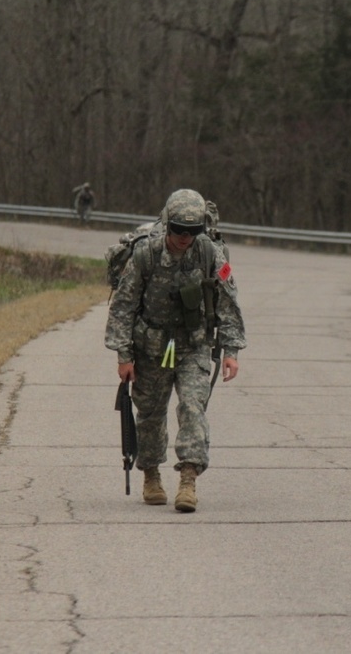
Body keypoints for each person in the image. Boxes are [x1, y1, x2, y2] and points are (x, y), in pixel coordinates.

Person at [104, 189, 246, 512]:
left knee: (193, 407)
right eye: (179, 230)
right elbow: (123, 307)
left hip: (193, 346)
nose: (185, 238)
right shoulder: (145, 255)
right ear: (167, 224)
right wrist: (124, 356)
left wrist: (231, 350)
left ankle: (189, 479)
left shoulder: (211, 254)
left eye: (192, 231)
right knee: (151, 414)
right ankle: (151, 474)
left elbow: (228, 301)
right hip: (151, 348)